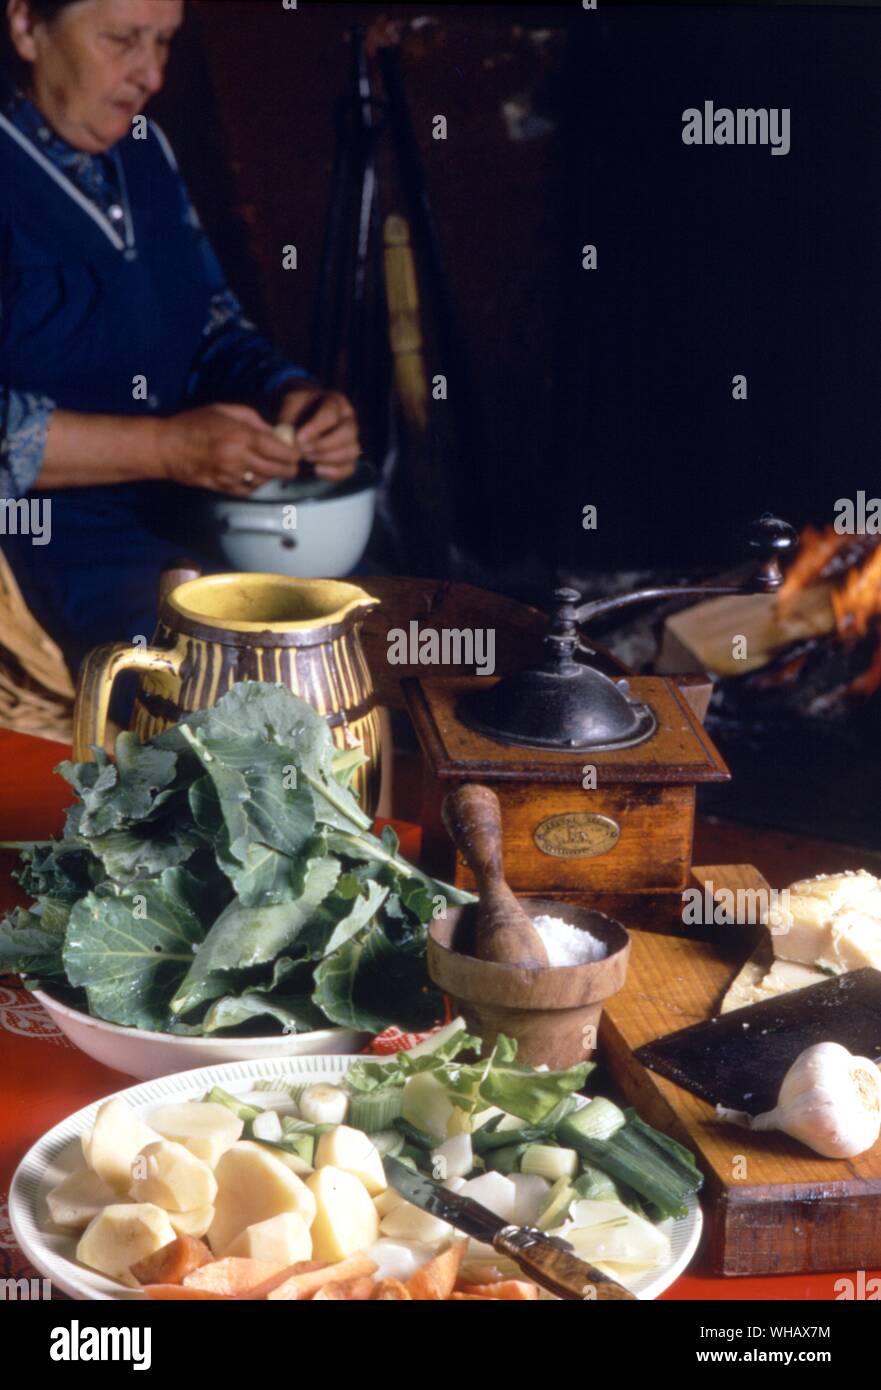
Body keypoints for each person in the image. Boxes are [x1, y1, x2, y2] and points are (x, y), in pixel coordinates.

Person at [0, 0, 361, 672]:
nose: (151, 76)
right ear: (26, 26)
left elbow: (212, 324)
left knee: (365, 630)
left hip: (187, 510)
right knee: (233, 695)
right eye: (122, 40)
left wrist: (290, 393)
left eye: (163, 43)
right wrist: (166, 448)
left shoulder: (144, 150)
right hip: (41, 550)